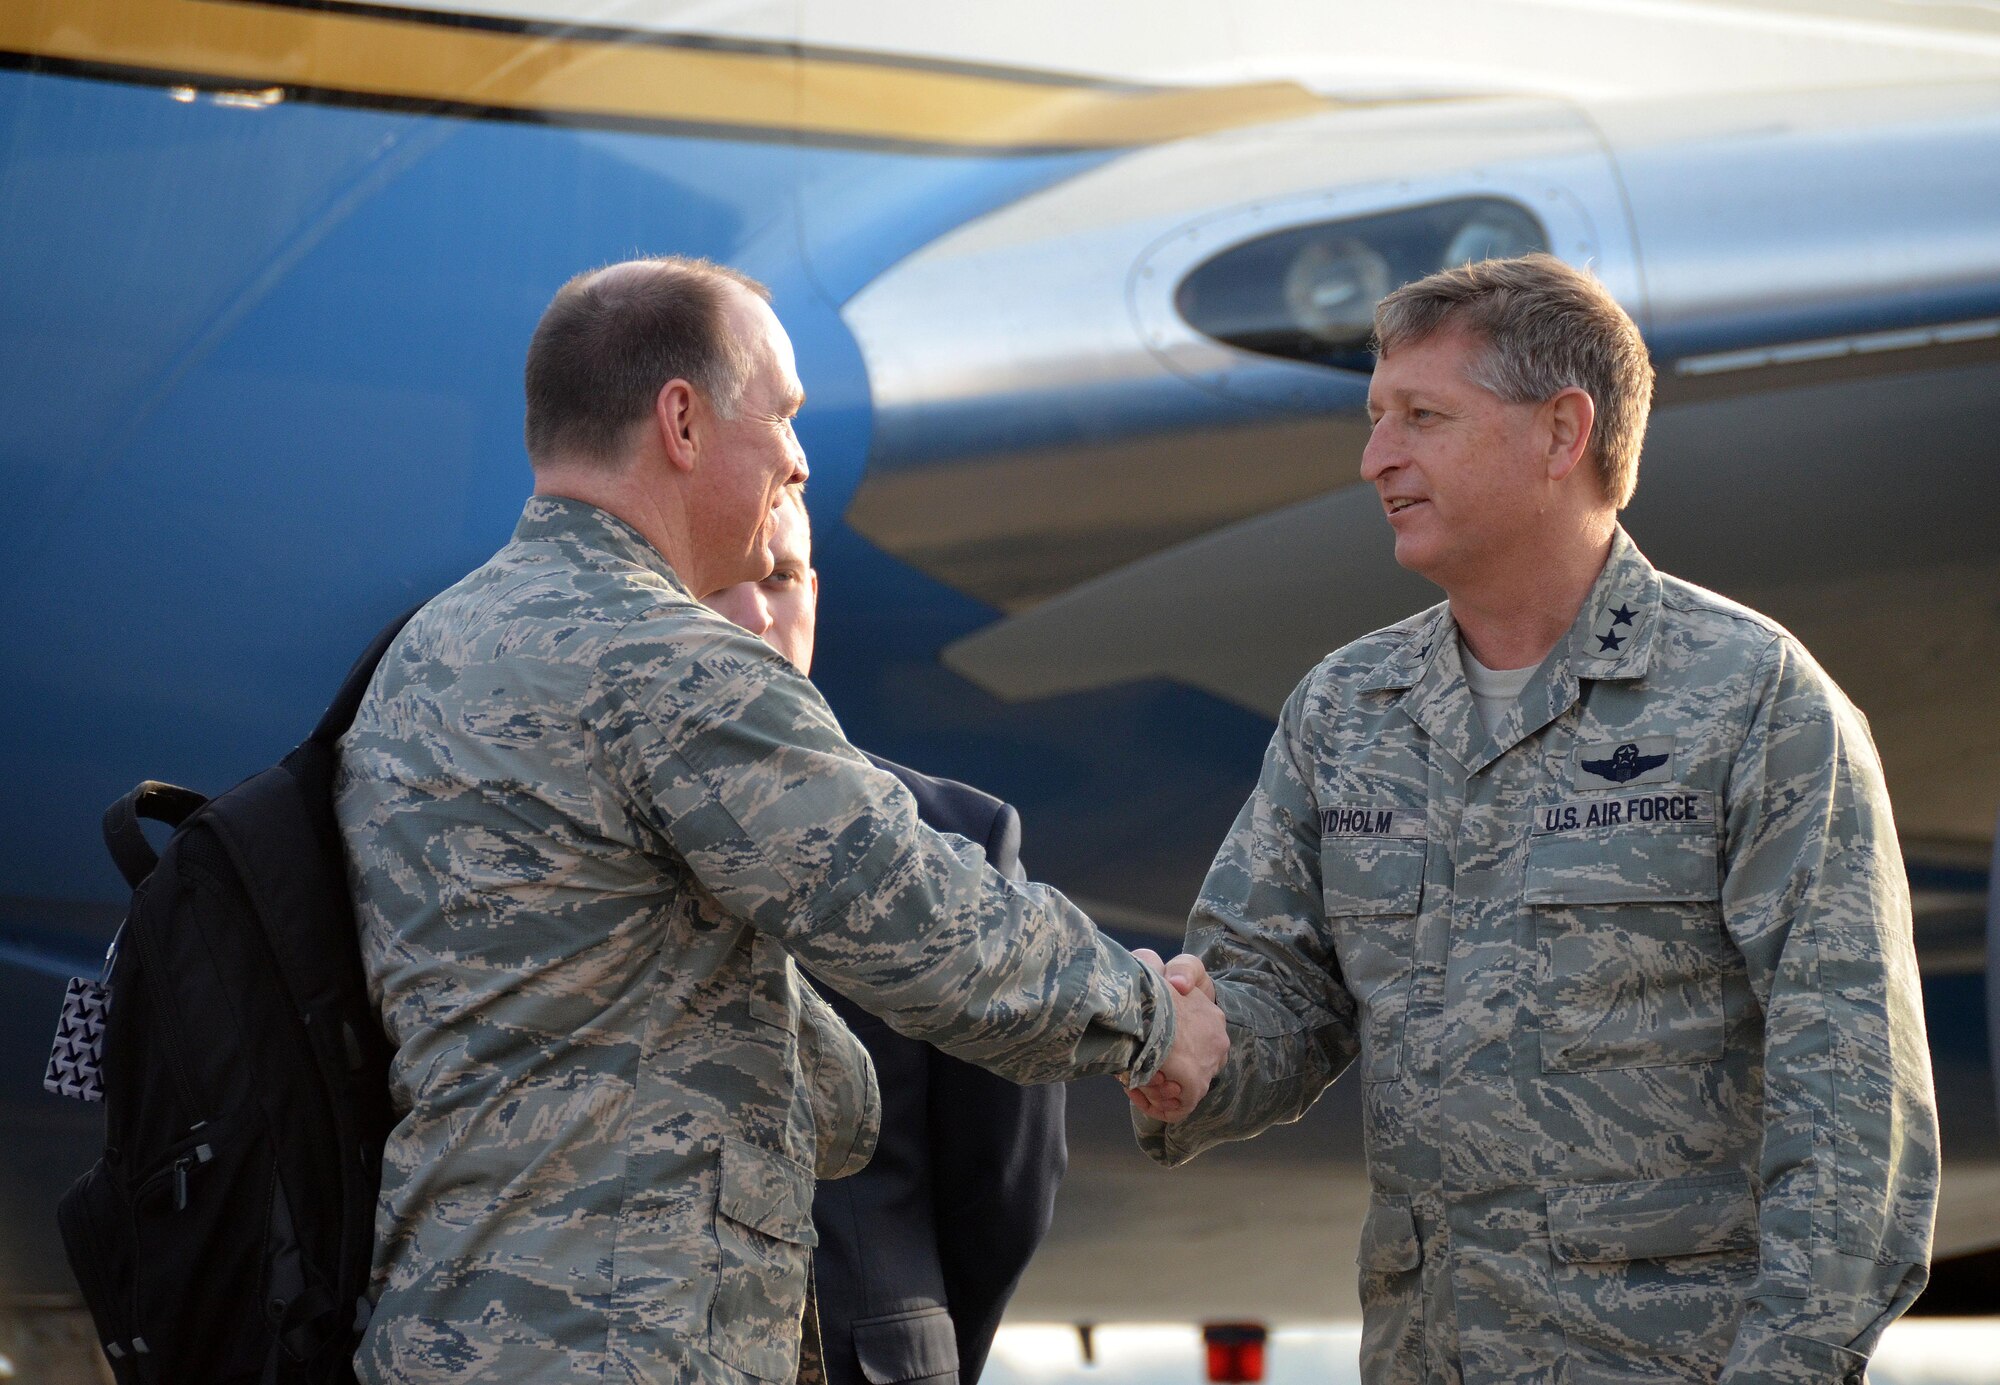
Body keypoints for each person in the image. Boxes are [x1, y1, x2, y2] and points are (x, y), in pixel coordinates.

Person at [335, 256, 1227, 1385]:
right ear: (682, 421)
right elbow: (922, 920)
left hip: (445, 1325)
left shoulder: (425, 658)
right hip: (621, 1337)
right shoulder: (669, 663)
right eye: (785, 413)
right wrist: (1153, 1018)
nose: (797, 457)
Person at [1133, 255, 1937, 1384]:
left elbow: (1854, 1102)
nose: (1375, 460)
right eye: (1373, 418)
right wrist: (1189, 1054)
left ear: (1562, 432)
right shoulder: (1345, 709)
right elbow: (1276, 993)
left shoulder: (1753, 700)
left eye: (1421, 416)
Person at [706, 492, 1066, 1385]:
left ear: (815, 598)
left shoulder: (955, 836)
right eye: (725, 583)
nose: (758, 613)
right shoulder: (593, 841)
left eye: (782, 579)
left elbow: (1005, 1182)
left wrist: (910, 1338)